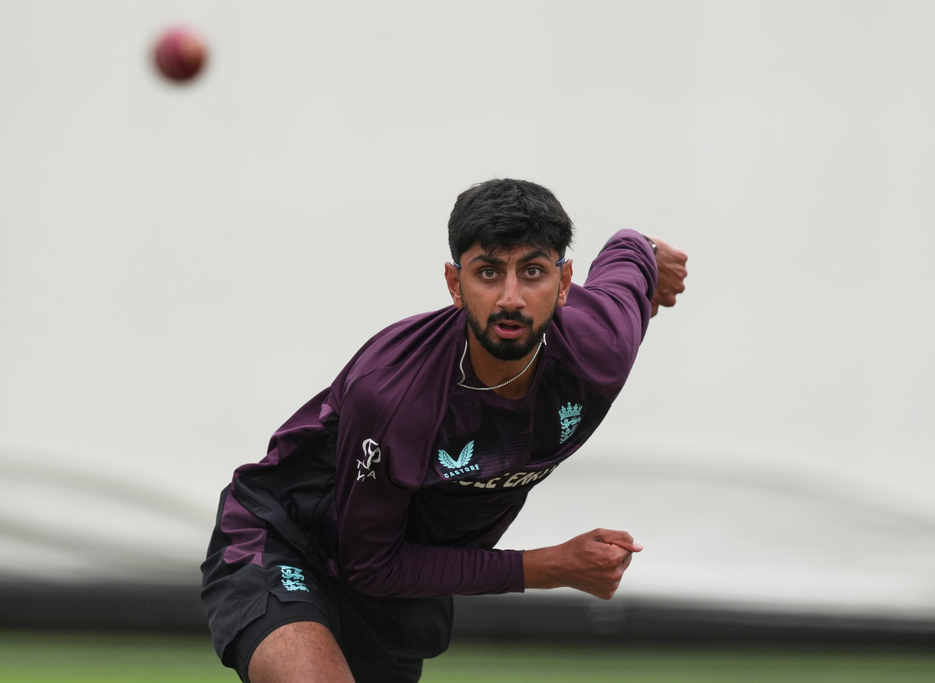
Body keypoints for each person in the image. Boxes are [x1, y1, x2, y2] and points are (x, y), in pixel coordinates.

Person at [201, 178, 688, 683]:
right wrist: (549, 566)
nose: (511, 298)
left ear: (564, 282)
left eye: (533, 272)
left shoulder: (600, 348)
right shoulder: (396, 397)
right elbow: (369, 562)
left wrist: (650, 252)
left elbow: (628, 256)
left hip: (399, 583)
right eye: (488, 272)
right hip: (286, 539)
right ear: (455, 285)